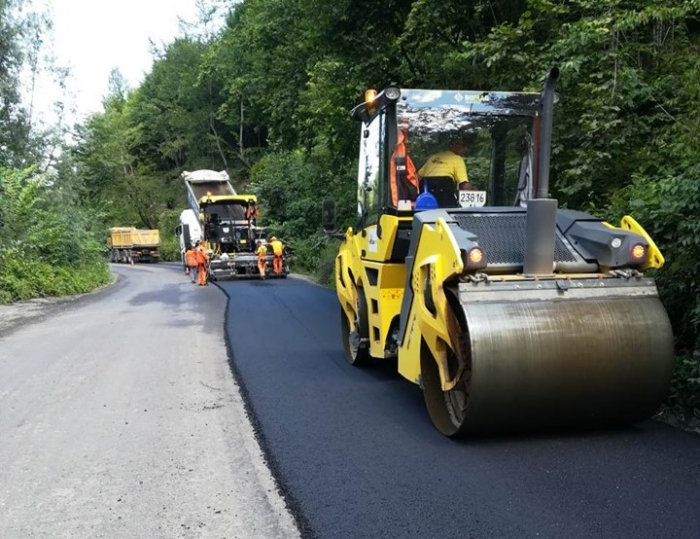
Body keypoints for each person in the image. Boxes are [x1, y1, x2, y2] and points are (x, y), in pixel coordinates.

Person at [389, 129, 420, 208]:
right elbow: (411, 179)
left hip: (399, 206)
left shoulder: (380, 148)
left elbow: (411, 179)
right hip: (398, 205)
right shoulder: (401, 151)